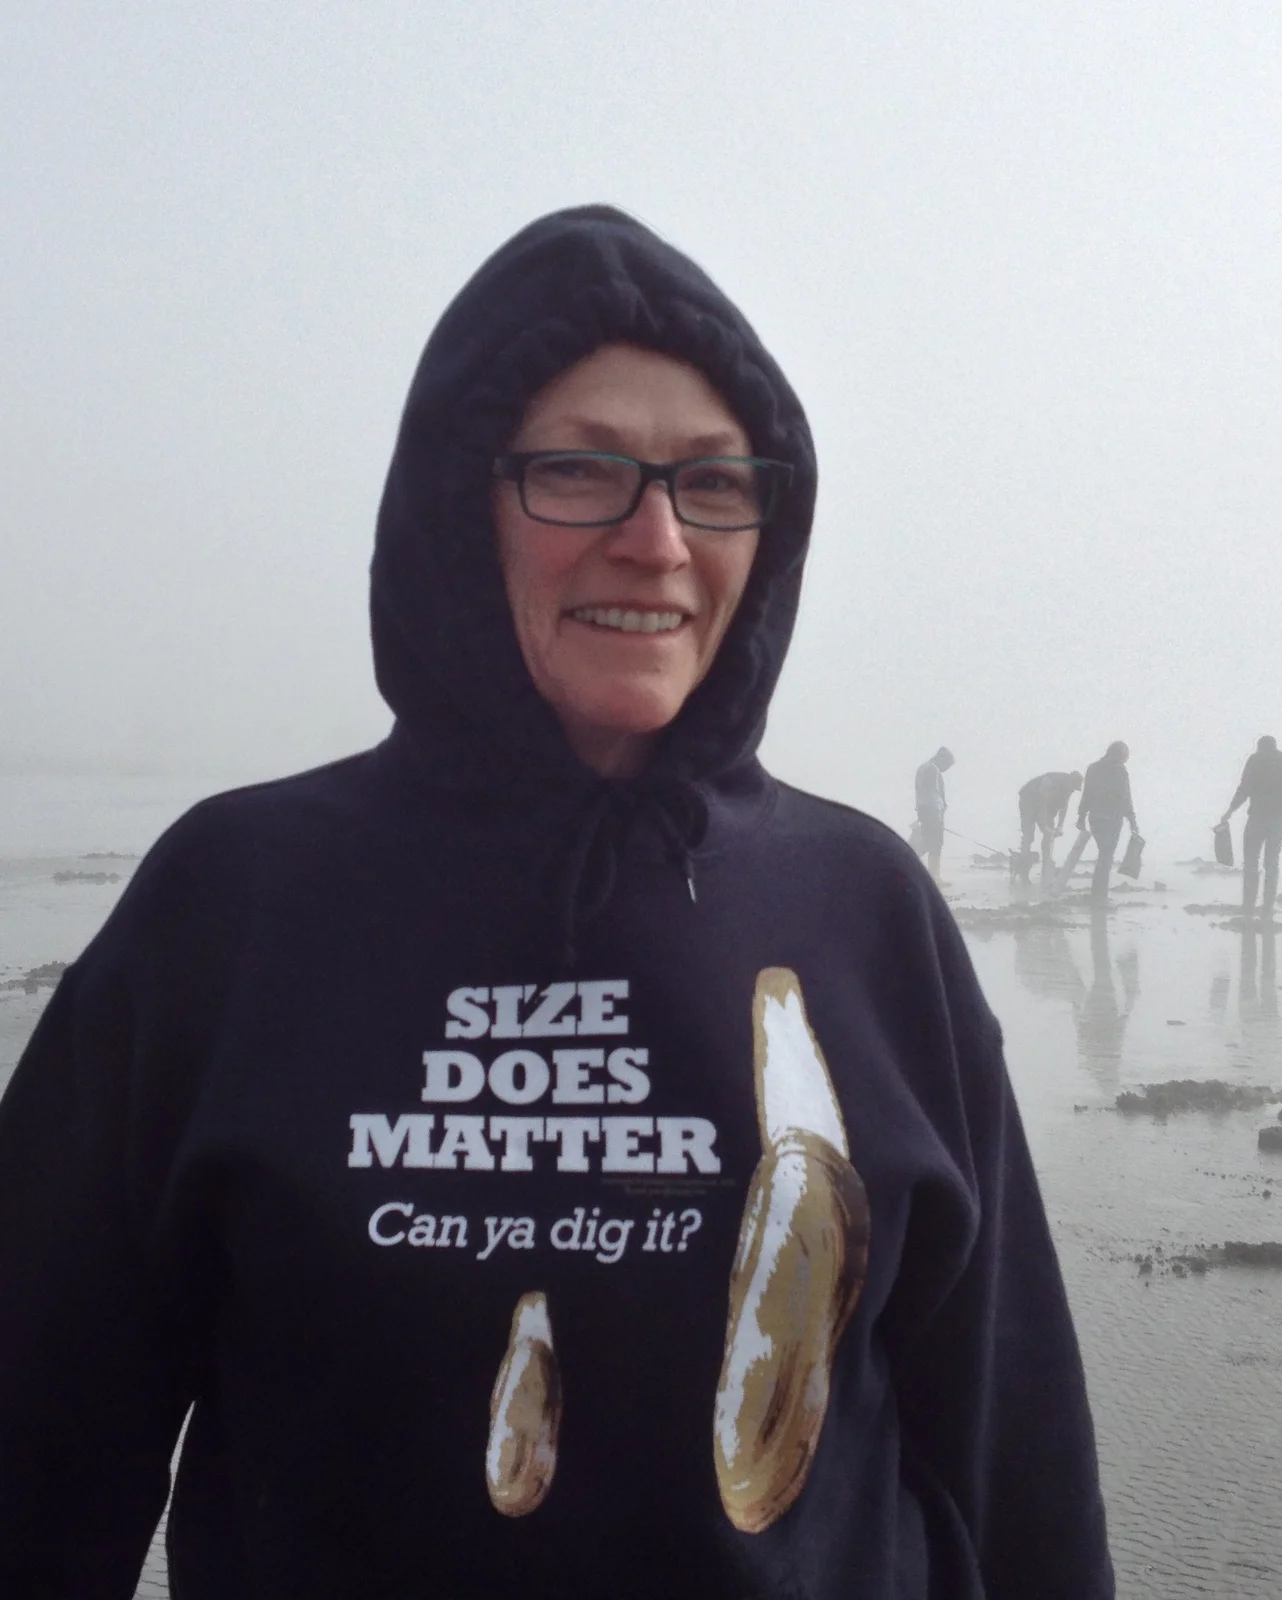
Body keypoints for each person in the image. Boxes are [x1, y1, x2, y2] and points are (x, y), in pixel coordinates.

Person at [0, 209, 1113, 1598]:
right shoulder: (236, 901)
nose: (655, 540)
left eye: (715, 483)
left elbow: (1013, 1461)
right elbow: (36, 1448)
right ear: (461, 505)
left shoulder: (866, 908)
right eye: (580, 471)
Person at [1219, 734, 1282, 919]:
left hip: (1257, 819)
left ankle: (1248, 906)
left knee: (1250, 862)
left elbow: (1244, 788)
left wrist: (1230, 810)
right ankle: (1268, 908)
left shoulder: (1255, 761)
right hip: (1278, 822)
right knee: (1271, 863)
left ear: (1259, 747)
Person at [1062, 741, 1138, 903]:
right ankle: (1099, 896)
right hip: (1112, 819)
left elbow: (1087, 795)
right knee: (1106, 856)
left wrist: (1081, 817)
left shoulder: (1093, 768)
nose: (1126, 758)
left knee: (1104, 855)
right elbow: (1125, 797)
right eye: (1126, 755)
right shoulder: (1120, 771)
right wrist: (1132, 821)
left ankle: (1098, 893)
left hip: (1096, 818)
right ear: (1121, 755)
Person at [1017, 769, 1082, 882]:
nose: (1072, 790)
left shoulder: (1067, 789)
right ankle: (1023, 872)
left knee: (1049, 837)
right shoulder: (1050, 782)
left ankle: (1046, 870)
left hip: (1046, 806)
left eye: (1075, 789)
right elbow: (1043, 804)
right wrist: (1044, 827)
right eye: (1073, 786)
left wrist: (1060, 826)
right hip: (1029, 800)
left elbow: (1064, 806)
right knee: (1029, 835)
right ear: (1069, 780)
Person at [912, 744, 954, 883]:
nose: (947, 769)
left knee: (925, 844)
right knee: (935, 844)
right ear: (941, 759)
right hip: (932, 813)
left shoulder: (923, 768)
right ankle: (934, 878)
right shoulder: (932, 769)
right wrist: (937, 816)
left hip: (924, 811)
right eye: (947, 764)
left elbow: (922, 793)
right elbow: (932, 795)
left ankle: (919, 873)